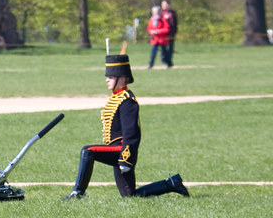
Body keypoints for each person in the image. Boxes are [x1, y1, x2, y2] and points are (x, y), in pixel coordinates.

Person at [64, 54, 189, 199]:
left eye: (110, 77)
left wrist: (126, 158)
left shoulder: (127, 101)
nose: (107, 79)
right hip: (116, 149)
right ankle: (171, 183)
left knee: (88, 151)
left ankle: (78, 193)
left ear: (121, 78)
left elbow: (132, 133)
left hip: (122, 150)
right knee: (130, 195)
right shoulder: (116, 98)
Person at [161, 0, 178, 66]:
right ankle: (164, 59)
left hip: (170, 33)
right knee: (163, 48)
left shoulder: (172, 13)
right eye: (162, 4)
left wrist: (174, 32)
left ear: (168, 5)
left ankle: (169, 62)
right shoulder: (161, 13)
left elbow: (175, 23)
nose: (163, 6)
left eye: (165, 4)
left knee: (170, 48)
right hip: (163, 34)